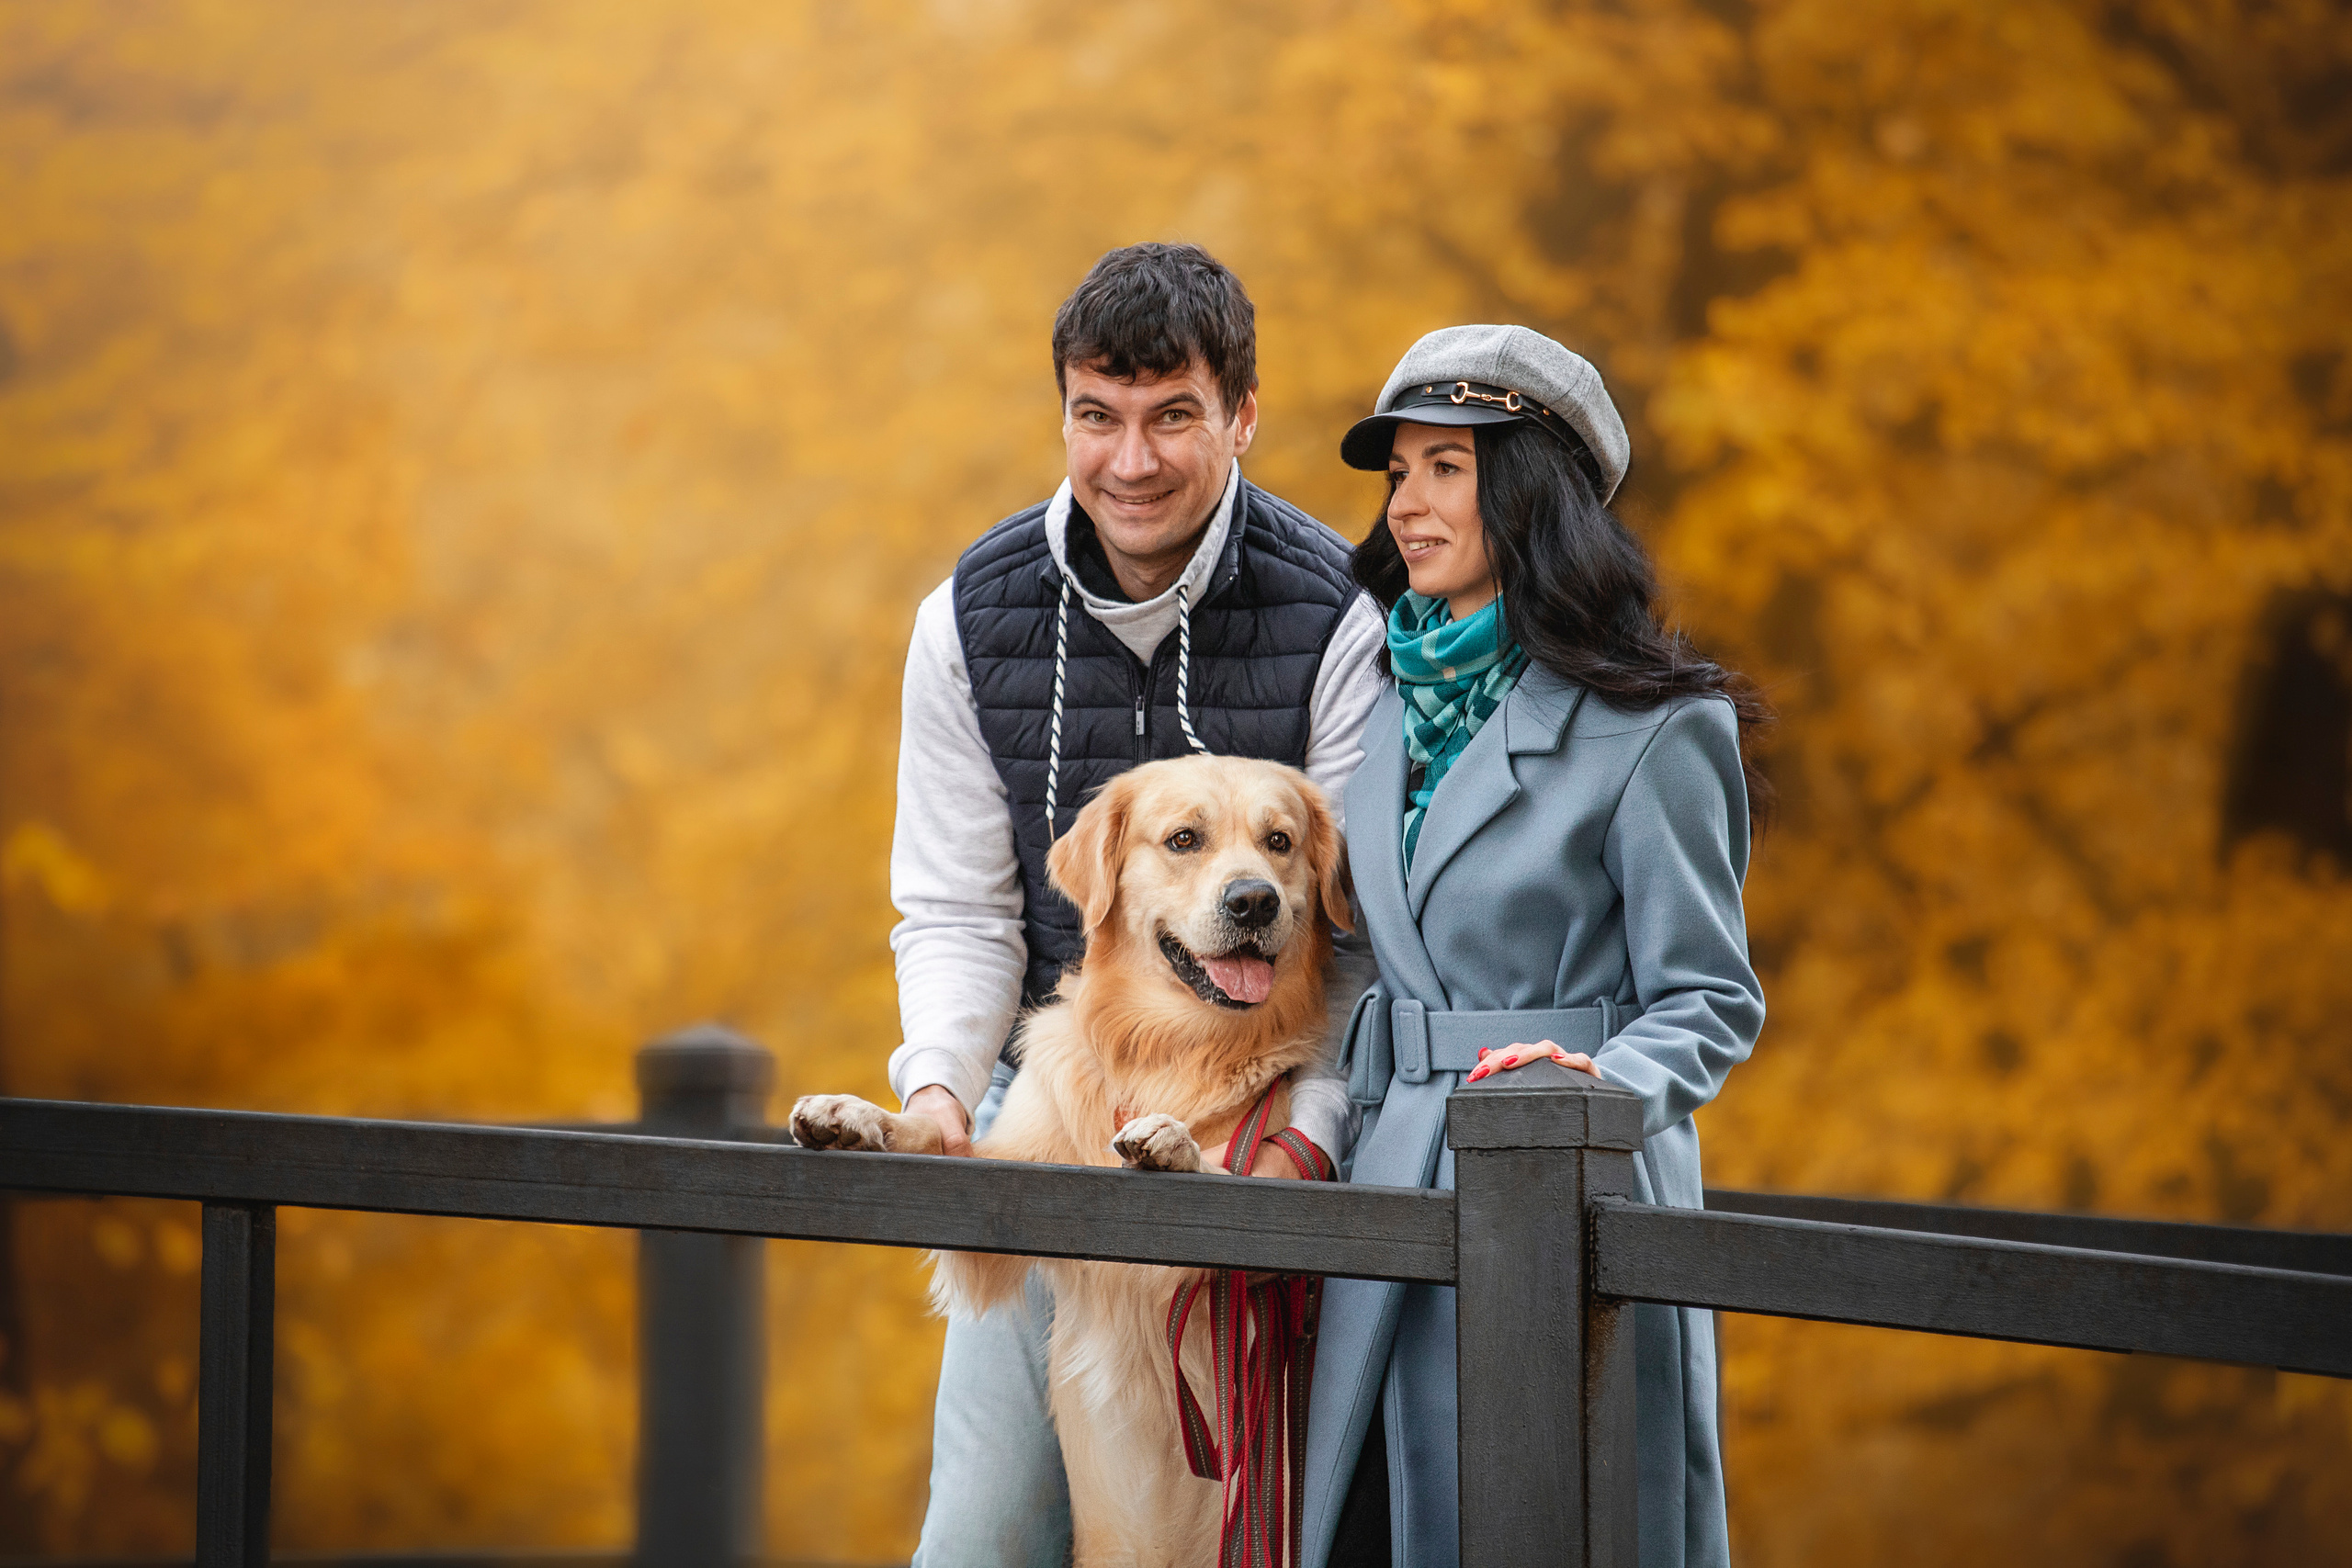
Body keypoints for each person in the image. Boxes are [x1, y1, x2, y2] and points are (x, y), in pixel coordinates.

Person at [890, 243, 1385, 1568]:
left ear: (1241, 416)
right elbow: (955, 910)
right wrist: (938, 1084)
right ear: (1062, 414)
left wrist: (1307, 1138)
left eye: (1173, 415)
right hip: (1049, 1095)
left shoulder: (1340, 614)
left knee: (1232, 1532)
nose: (1131, 461)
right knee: (987, 1531)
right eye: (1095, 417)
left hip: (1266, 1116)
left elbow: (1356, 932)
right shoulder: (966, 620)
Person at [1300, 324, 1770, 1568]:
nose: (1407, 504)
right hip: (1384, 1177)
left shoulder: (1660, 729)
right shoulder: (1390, 697)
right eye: (1398, 474)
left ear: (1529, 488)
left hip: (1568, 1190)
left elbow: (1711, 1000)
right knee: (1368, 1526)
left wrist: (1589, 1090)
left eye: (1446, 468)